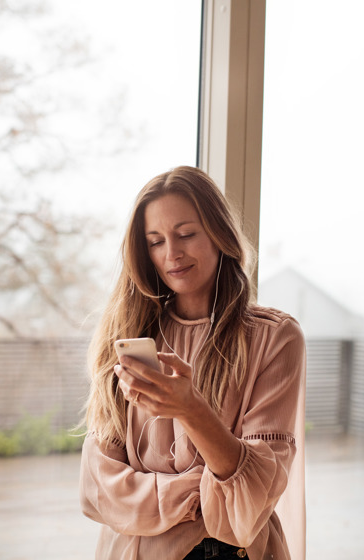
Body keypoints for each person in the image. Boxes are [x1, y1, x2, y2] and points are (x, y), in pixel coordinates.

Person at [79, 166, 306, 560]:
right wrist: (202, 494)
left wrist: (191, 409)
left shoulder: (274, 338)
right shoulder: (131, 335)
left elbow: (251, 502)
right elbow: (99, 488)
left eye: (186, 234)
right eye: (156, 242)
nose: (172, 254)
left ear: (220, 235)